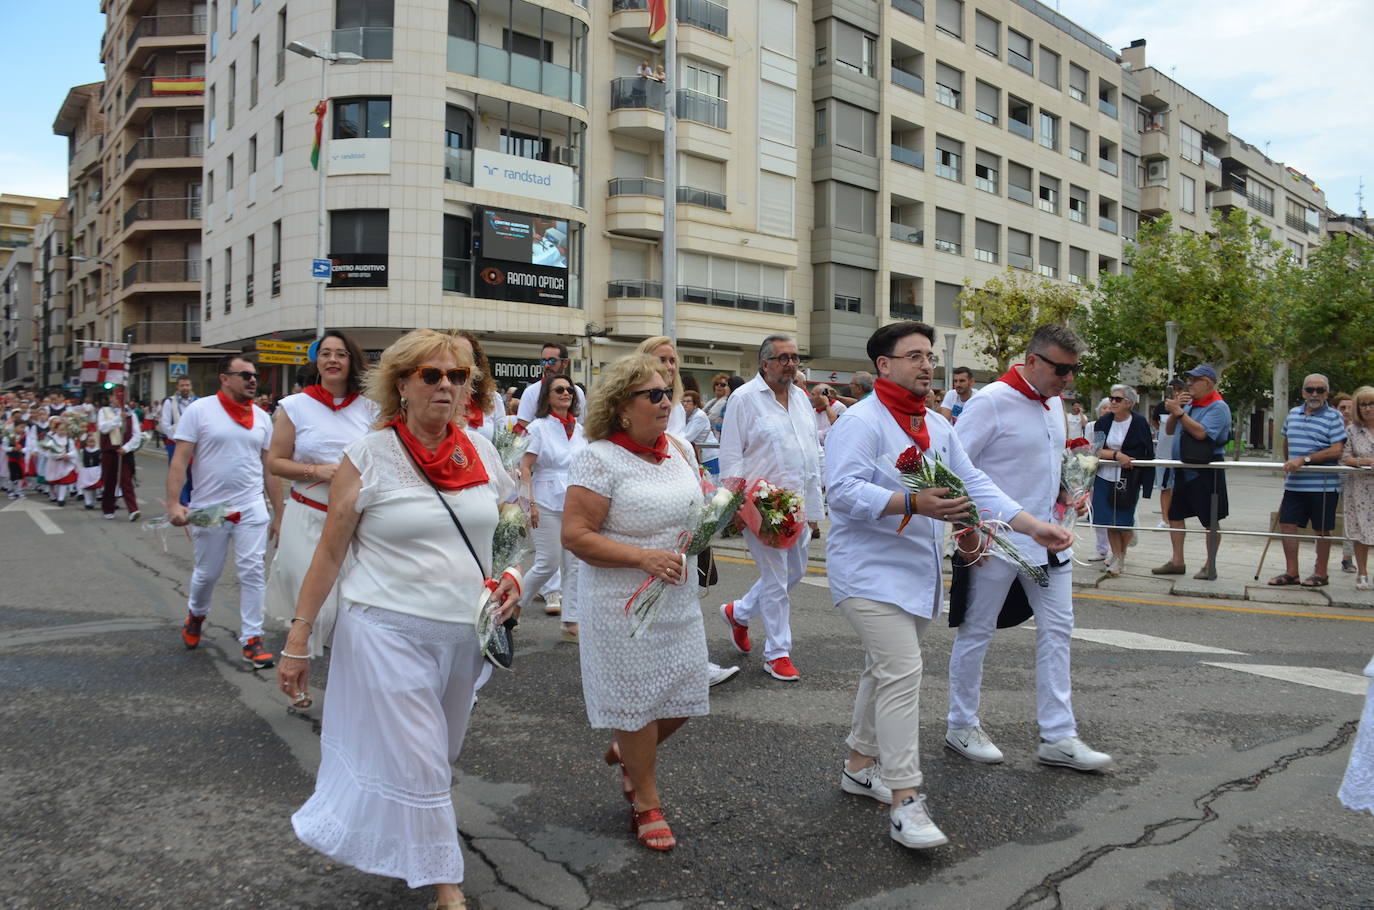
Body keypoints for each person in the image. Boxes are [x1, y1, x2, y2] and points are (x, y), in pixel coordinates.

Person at [278, 329, 519, 910]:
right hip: (384, 627)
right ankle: (446, 886)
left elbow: (509, 531)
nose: (447, 386)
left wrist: (513, 578)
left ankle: (399, 831)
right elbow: (331, 551)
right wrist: (299, 636)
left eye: (458, 377)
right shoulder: (367, 455)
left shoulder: (483, 452)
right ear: (402, 384)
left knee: (440, 751)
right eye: (432, 375)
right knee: (419, 756)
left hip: (464, 633)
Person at [827, 321, 1072, 849]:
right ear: (884, 366)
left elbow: (977, 484)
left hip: (915, 572)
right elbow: (841, 491)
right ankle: (906, 799)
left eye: (929, 355)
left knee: (884, 670)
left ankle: (858, 765)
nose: (927, 364)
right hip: (866, 571)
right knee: (903, 671)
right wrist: (910, 502)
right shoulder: (861, 421)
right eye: (914, 356)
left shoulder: (936, 425)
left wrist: (1032, 525)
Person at [947, 324, 1113, 772]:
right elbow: (952, 468)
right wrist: (967, 532)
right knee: (977, 631)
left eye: (1075, 369)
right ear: (1034, 360)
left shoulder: (1054, 402)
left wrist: (1067, 491)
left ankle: (1059, 736)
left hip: (1050, 539)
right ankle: (961, 724)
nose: (1069, 378)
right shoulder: (990, 402)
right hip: (996, 541)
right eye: (1062, 368)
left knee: (1058, 632)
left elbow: (1048, 461)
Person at [561, 353, 709, 851]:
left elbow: (699, 507)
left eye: (667, 390)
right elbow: (576, 535)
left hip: (676, 596)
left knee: (686, 693)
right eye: (654, 394)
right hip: (620, 603)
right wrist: (641, 557)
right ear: (623, 408)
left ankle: (628, 750)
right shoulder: (598, 457)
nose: (666, 399)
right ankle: (646, 800)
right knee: (638, 705)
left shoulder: (682, 449)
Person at [717, 334, 824, 682]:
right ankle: (777, 654)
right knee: (776, 580)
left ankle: (739, 612)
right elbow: (731, 455)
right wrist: (734, 503)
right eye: (783, 358)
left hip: (798, 506)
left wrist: (814, 511)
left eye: (794, 357)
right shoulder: (744, 399)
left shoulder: (801, 399)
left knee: (795, 573)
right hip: (761, 505)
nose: (791, 363)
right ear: (765, 363)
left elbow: (811, 455)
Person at [264, 330, 377, 655]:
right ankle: (297, 659)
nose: (332, 359)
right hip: (307, 514)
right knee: (314, 600)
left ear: (351, 360)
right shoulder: (295, 406)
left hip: (354, 518)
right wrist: (318, 471)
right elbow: (275, 463)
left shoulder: (370, 409)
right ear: (317, 361)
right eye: (325, 353)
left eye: (340, 354)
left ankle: (346, 675)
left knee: (350, 604)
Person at [168, 354, 282, 669]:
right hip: (211, 507)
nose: (252, 380)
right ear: (224, 378)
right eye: (244, 375)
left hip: (250, 506)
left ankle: (252, 638)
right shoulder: (200, 411)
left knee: (252, 570)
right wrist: (175, 503)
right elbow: (180, 460)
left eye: (254, 376)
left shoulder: (261, 417)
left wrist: (280, 515)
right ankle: (196, 615)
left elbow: (269, 469)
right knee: (208, 573)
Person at [519, 374, 586, 642]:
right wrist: (529, 503)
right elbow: (524, 467)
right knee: (547, 563)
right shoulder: (537, 427)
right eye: (559, 390)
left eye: (570, 390)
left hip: (575, 501)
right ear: (547, 396)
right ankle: (514, 605)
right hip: (545, 500)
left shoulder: (580, 430)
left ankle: (571, 621)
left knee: (575, 564)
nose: (566, 394)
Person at [1152, 365, 1232, 581]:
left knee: (1210, 520)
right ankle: (1177, 561)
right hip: (1184, 468)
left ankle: (1209, 565)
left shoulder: (1218, 407)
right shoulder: (1189, 404)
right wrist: (1175, 411)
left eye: (1194, 380)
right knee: (1175, 515)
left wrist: (1179, 412)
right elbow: (1168, 431)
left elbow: (1202, 433)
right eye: (1188, 379)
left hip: (1207, 469)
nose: (1189, 384)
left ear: (1208, 382)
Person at [1267, 374, 1347, 588]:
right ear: (1303, 392)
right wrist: (1288, 463)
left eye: (1319, 390)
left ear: (1326, 394)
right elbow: (1286, 442)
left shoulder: (1334, 416)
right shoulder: (1293, 414)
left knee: (1321, 529)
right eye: (1310, 389)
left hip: (1323, 484)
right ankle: (1292, 572)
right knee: (1287, 525)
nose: (1314, 394)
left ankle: (1321, 573)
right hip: (1295, 483)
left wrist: (1305, 459)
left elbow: (1337, 450)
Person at [1091, 385, 1155, 577]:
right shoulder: (1103, 422)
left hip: (1129, 477)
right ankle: (1117, 557)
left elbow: (1147, 452)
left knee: (1124, 519)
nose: (1112, 402)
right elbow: (1096, 449)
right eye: (1111, 398)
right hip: (1105, 475)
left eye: (1117, 399)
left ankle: (1121, 556)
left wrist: (1146, 479)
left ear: (1129, 403)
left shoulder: (1140, 422)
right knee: (1108, 519)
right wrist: (1117, 455)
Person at [1339, 387, 1374, 591]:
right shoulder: (1351, 430)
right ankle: (1362, 572)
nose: (1368, 408)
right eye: (1363, 404)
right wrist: (1365, 461)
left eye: (1371, 404)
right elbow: (1345, 458)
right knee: (1361, 531)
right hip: (1360, 487)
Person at [516, 343, 586, 430]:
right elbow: (523, 425)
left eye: (552, 361)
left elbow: (580, 423)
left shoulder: (577, 391)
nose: (547, 365)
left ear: (565, 363)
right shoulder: (531, 392)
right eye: (543, 361)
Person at [97, 386, 142, 521]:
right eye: (116, 396)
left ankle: (133, 510)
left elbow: (137, 434)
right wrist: (117, 419)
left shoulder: (131, 414)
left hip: (124, 452)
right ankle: (108, 508)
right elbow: (103, 428)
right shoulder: (103, 411)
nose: (118, 399)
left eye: (121, 397)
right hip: (110, 451)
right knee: (109, 480)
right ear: (110, 398)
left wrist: (127, 447)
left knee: (126, 480)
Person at [455, 330, 506, 442]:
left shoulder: (492, 398)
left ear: (476, 361)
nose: (463, 360)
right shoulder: (437, 398)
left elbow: (501, 443)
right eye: (456, 354)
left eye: (468, 355)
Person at [1151, 379, 1185, 528]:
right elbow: (1154, 420)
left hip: (1181, 455)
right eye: (1174, 389)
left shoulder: (1187, 407)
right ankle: (1165, 519)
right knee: (1165, 488)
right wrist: (1160, 432)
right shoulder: (1161, 406)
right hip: (1163, 454)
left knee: (1180, 488)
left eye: (1179, 389)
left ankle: (1177, 518)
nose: (1176, 391)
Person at [159, 377, 198, 458]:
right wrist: (179, 440)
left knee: (194, 470)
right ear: (177, 387)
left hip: (195, 444)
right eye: (182, 385)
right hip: (175, 443)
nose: (185, 388)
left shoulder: (198, 401)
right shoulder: (169, 402)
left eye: (187, 385)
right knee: (177, 469)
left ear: (191, 386)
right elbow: (165, 425)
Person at [680, 390, 716, 462]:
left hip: (709, 455)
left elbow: (688, 437)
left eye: (688, 401)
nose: (685, 404)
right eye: (683, 401)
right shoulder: (686, 415)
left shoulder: (699, 416)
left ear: (695, 404)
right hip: (701, 454)